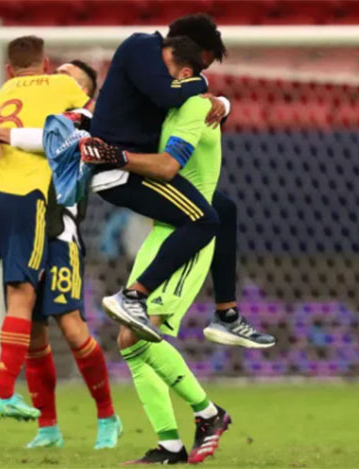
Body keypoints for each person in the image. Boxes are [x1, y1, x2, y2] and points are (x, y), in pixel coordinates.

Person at [83, 36, 230, 464]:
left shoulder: (194, 106)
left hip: (191, 233)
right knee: (130, 338)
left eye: (161, 64)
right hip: (165, 229)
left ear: (183, 72)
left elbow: (166, 167)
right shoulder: (163, 105)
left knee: (141, 328)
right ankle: (170, 445)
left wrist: (116, 157)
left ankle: (210, 414)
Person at [88, 14, 274, 348]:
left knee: (224, 208)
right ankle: (133, 296)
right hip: (122, 171)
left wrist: (222, 103)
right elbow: (168, 94)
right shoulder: (141, 46)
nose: (201, 74)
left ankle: (227, 314)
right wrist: (205, 88)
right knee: (204, 220)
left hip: (134, 166)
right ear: (184, 49)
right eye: (199, 66)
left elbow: (178, 100)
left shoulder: (166, 81)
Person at [0, 61, 122, 450]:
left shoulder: (83, 119)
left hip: (60, 233)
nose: (59, 79)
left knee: (70, 326)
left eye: (70, 78)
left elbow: (53, 139)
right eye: (58, 72)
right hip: (27, 226)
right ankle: (49, 427)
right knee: (35, 335)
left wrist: (7, 134)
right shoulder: (30, 119)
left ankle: (108, 417)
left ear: (84, 91)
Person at [0, 36, 92, 422]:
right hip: (25, 195)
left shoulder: (0, 94)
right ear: (46, 63)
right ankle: (5, 393)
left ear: (10, 69)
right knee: (21, 295)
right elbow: (89, 123)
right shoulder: (63, 85)